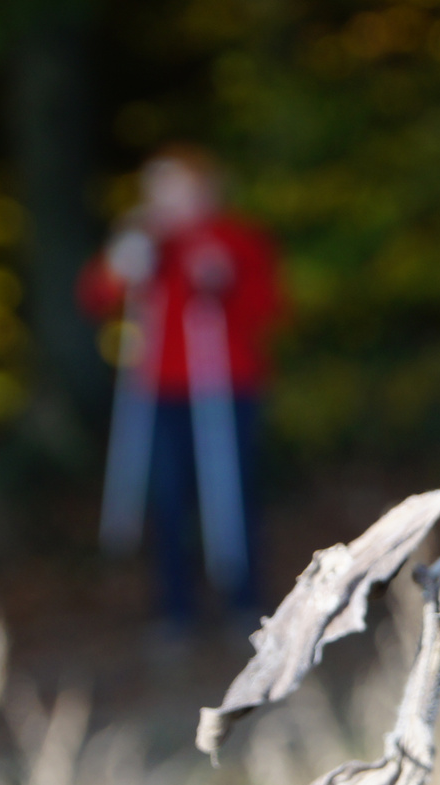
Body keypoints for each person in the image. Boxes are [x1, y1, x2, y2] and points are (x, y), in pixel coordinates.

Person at [77, 145, 287, 634]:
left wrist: (224, 281)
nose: (166, 203)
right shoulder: (143, 245)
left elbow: (269, 308)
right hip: (159, 393)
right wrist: (118, 268)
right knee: (168, 497)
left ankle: (244, 599)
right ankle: (175, 608)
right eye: (158, 192)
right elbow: (95, 298)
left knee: (234, 492)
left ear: (205, 192)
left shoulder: (236, 239)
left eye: (176, 191)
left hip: (227, 388)